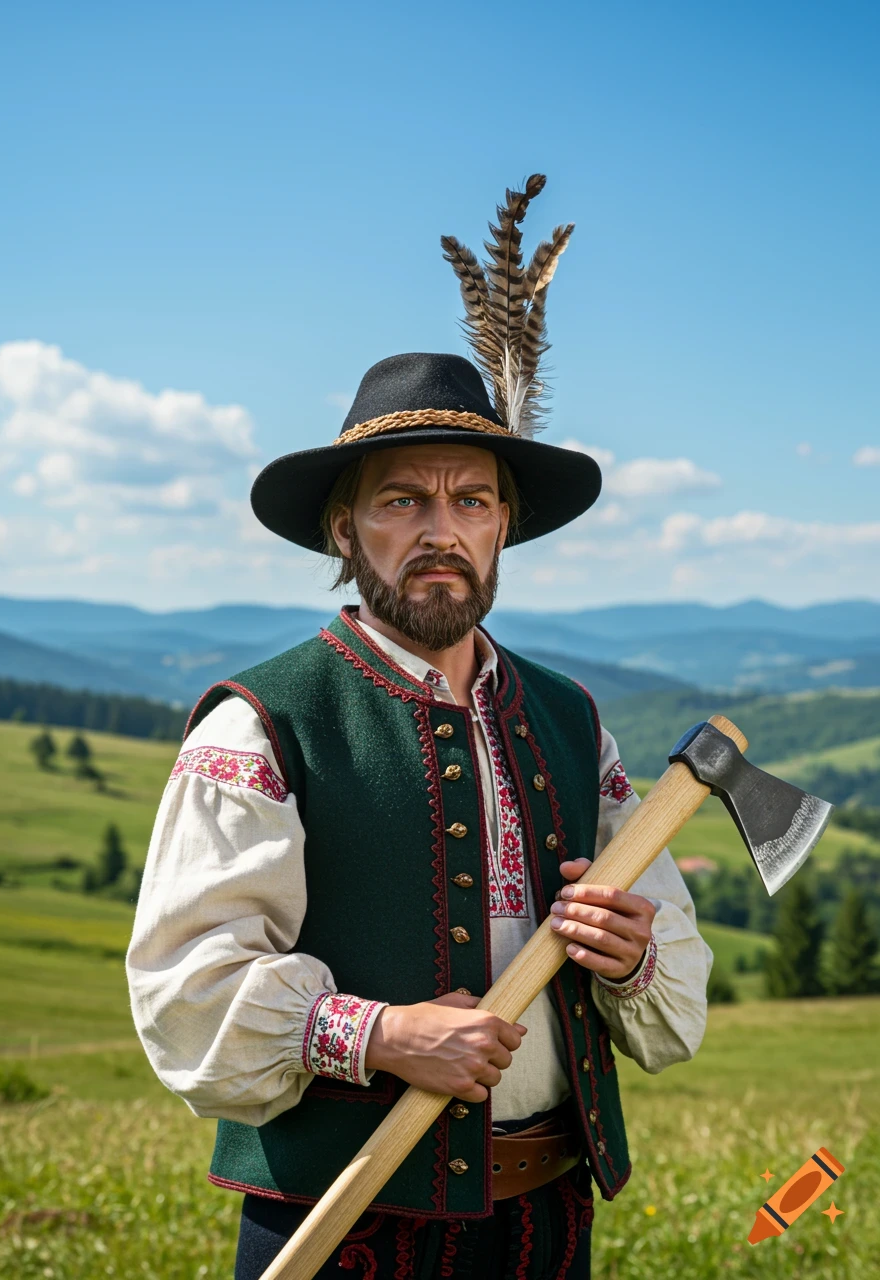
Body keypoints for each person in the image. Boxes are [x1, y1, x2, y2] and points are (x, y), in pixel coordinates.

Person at [127, 177, 712, 1280]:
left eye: (471, 500)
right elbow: (182, 993)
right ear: (343, 528)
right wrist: (379, 1034)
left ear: (505, 527)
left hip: (548, 1221)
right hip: (344, 1230)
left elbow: (671, 991)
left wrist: (629, 956)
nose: (439, 530)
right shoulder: (262, 725)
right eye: (401, 499)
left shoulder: (573, 721)